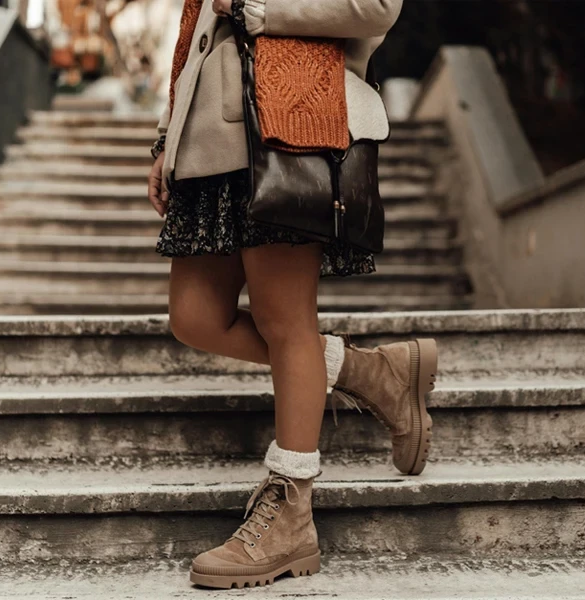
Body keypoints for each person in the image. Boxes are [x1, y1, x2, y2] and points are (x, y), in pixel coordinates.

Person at [147, 0, 437, 589]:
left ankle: (292, 511)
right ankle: (372, 374)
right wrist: (167, 136)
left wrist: (256, 9)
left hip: (291, 126)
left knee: (286, 324)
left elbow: (377, 7)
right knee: (195, 317)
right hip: (211, 135)